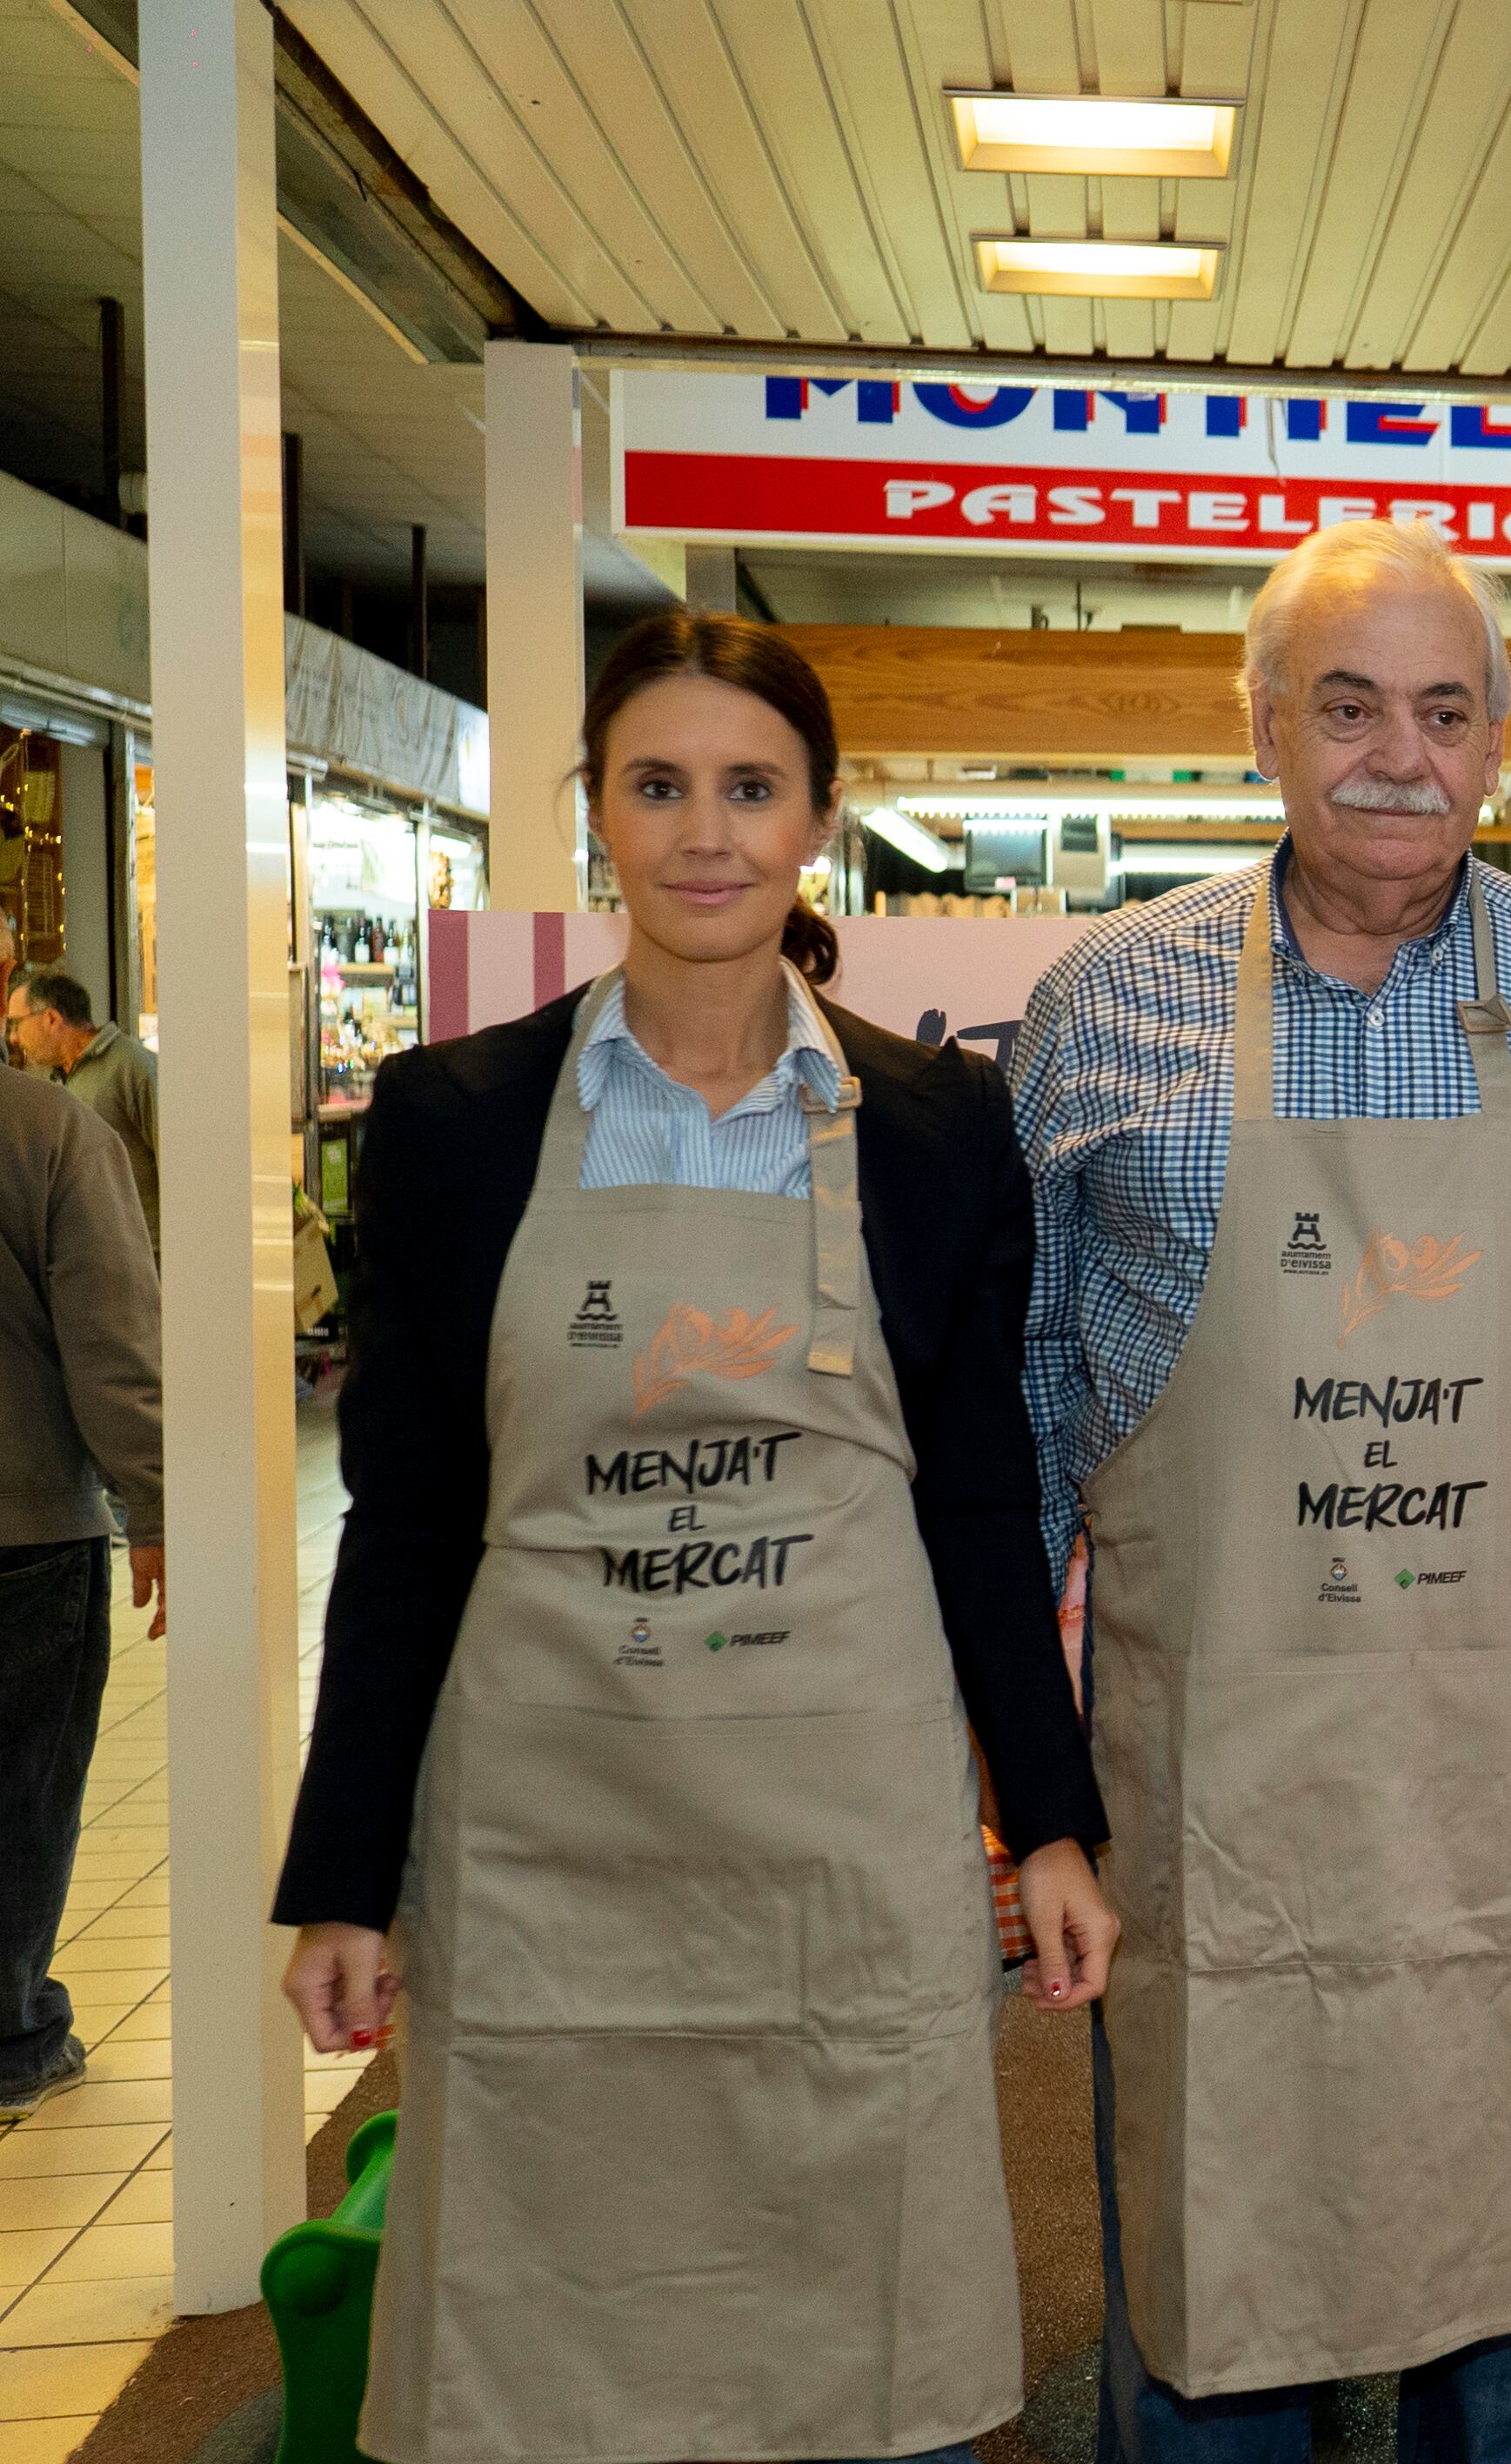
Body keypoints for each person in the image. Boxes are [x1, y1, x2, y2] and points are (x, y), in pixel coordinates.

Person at [273, 612, 1118, 2464]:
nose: (707, 831)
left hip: (841, 1839)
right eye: (659, 786)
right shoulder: (453, 1123)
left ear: (817, 818)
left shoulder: (930, 1124)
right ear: (598, 815)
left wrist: (1047, 1820)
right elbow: (410, 1520)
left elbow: (979, 1495)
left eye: (751, 787)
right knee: (548, 2336)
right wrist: (342, 1868)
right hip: (548, 1832)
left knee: (849, 2333)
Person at [1012, 517, 1511, 2464]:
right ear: (1259, 721)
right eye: (1344, 705)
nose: (1394, 756)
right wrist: (1006, 1741)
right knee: (1211, 2292)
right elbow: (1020, 1392)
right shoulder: (1108, 1004)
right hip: (1221, 1774)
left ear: (1497, 744)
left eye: (1442, 712)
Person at [0, 1059, 162, 2120]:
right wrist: (156, 1502)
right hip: (27, 1530)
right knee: (23, 1787)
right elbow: (111, 1344)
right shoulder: (49, 1133)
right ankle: (13, 2036)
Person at [11, 972, 156, 1244]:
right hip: (88, 1254)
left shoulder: (132, 1067)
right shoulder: (47, 1079)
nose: (14, 1038)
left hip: (144, 1256)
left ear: (52, 1019)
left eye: (16, 1024)